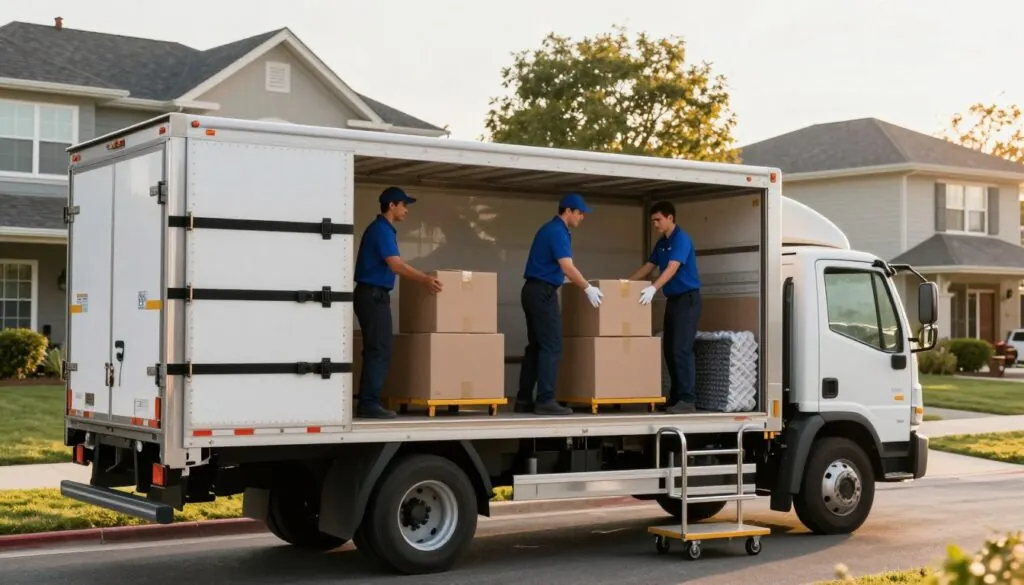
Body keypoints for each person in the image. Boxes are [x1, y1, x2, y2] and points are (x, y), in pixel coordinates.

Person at [353, 186, 443, 419]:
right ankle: (369, 403)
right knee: (379, 349)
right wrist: (425, 279)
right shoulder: (381, 230)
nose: (406, 210)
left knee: (377, 349)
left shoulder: (383, 229)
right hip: (373, 296)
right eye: (403, 205)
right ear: (391, 206)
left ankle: (368, 401)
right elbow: (396, 265)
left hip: (372, 295)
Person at [516, 193, 604, 416]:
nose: (582, 217)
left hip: (533, 290)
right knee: (552, 345)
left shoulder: (549, 229)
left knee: (536, 346)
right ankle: (545, 400)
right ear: (568, 211)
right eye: (580, 213)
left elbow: (553, 268)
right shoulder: (558, 231)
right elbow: (567, 266)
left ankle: (523, 399)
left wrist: (564, 279)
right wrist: (587, 287)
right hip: (542, 293)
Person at [628, 201, 701, 414]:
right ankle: (676, 397)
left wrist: (653, 288)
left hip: (687, 300)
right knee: (669, 349)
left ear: (670, 217)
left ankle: (687, 399)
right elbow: (649, 266)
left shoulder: (681, 239)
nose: (655, 224)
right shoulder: (661, 243)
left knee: (681, 349)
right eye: (653, 221)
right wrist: (625, 284)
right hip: (673, 300)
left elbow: (672, 268)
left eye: (658, 220)